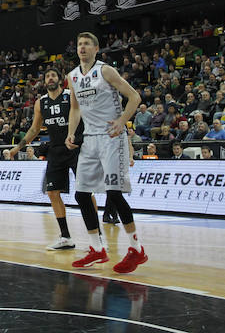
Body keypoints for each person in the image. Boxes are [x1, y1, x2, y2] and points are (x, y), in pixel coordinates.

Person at [66, 32, 148, 274]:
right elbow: (74, 108)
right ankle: (97, 248)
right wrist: (71, 133)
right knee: (82, 195)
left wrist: (123, 120)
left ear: (96, 48)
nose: (82, 47)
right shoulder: (72, 76)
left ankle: (136, 249)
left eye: (86, 44)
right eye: (79, 44)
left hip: (112, 138)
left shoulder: (106, 71)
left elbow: (134, 96)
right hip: (89, 140)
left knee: (114, 194)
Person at [12, 67, 82, 250]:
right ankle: (65, 236)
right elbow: (35, 129)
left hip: (76, 148)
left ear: (60, 79)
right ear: (44, 82)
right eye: (47, 76)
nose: (50, 78)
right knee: (52, 193)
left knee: (84, 192)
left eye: (53, 75)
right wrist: (17, 148)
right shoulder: (40, 103)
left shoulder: (70, 95)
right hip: (56, 150)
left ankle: (96, 233)